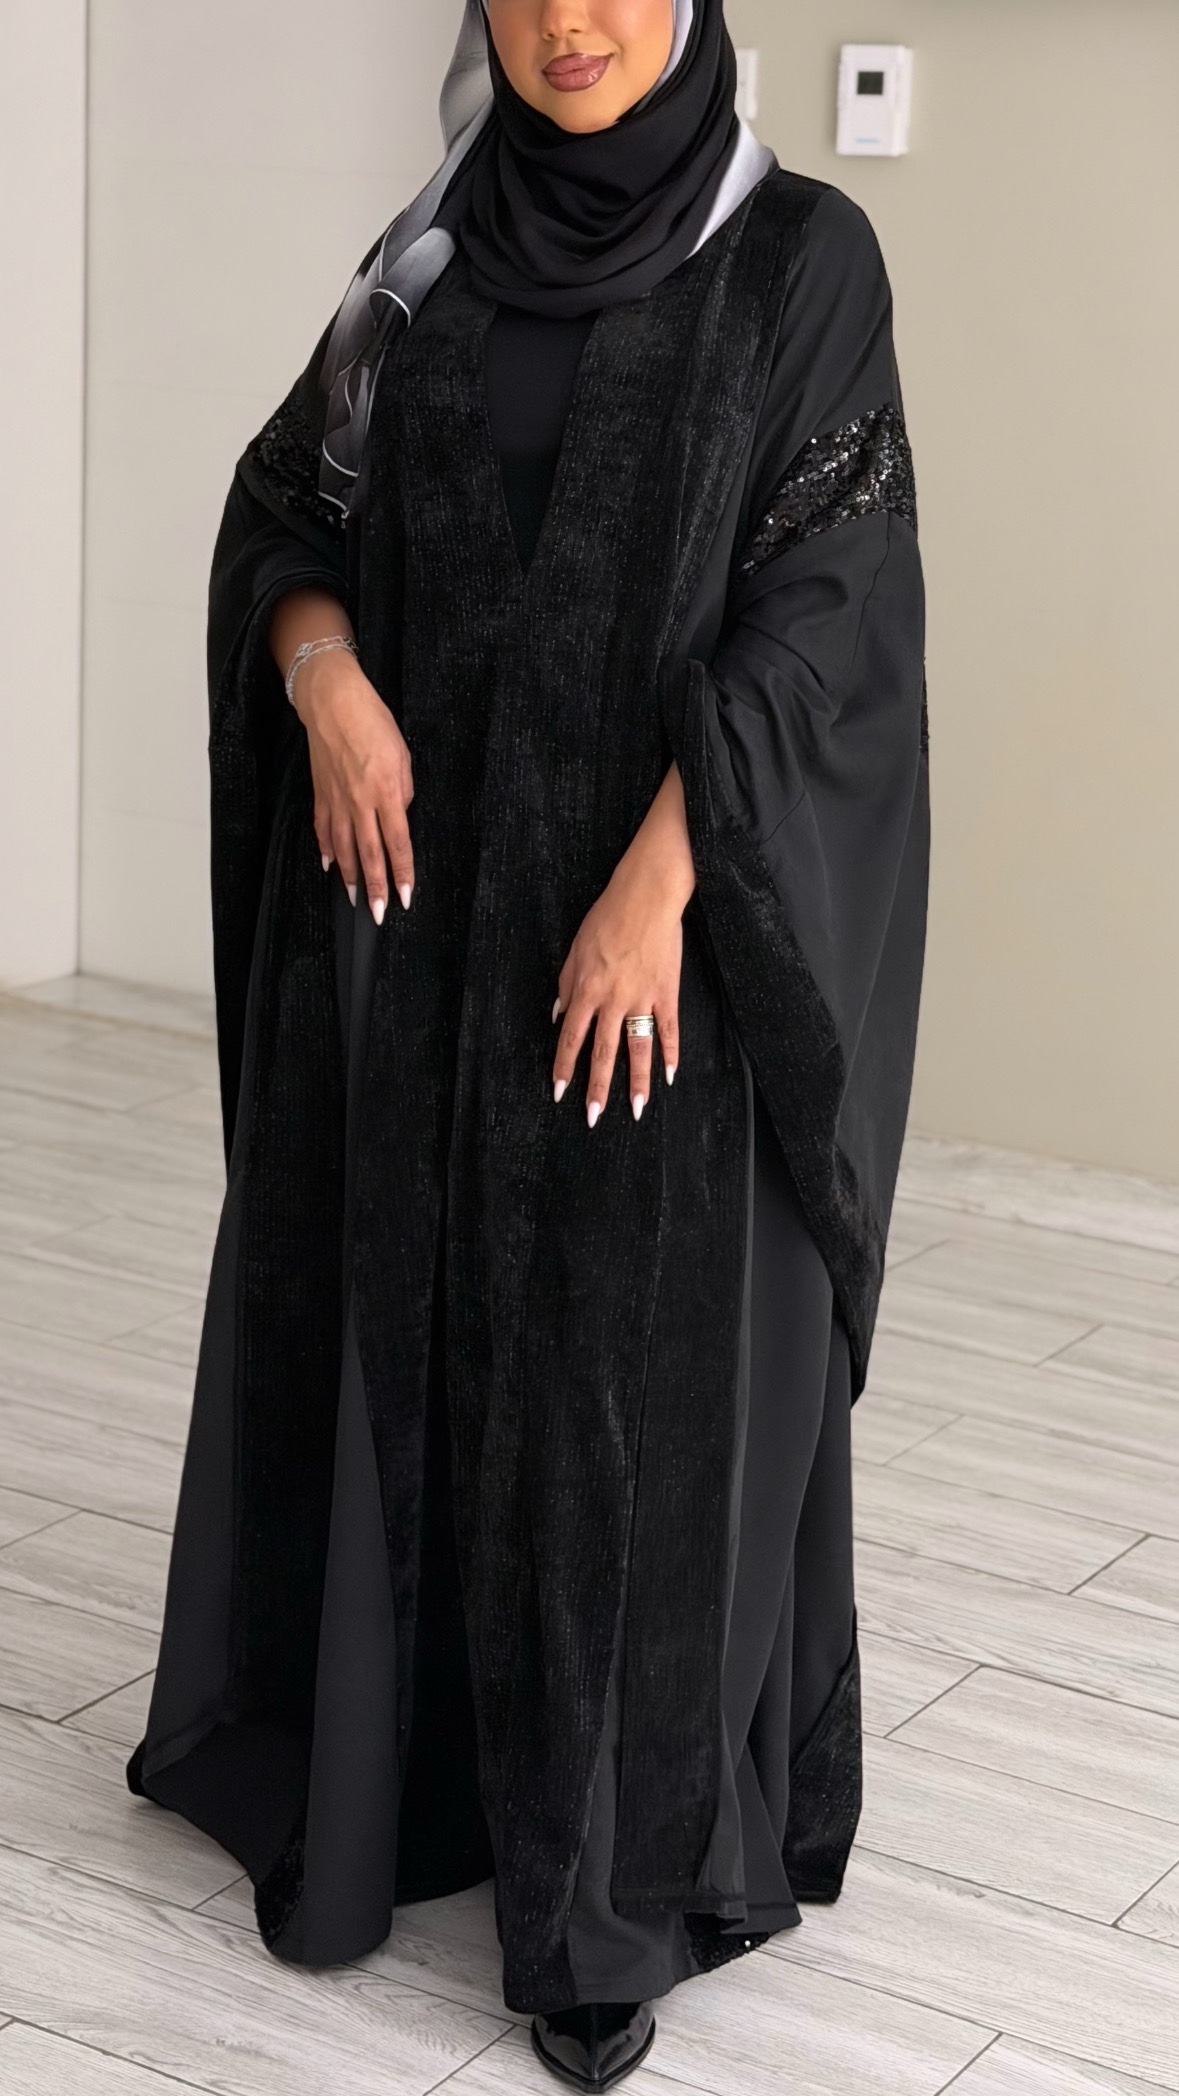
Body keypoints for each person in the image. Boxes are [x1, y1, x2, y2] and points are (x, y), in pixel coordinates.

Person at [126, 2, 929, 2087]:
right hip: (421, 968)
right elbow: (282, 517)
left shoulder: (796, 262)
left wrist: (664, 880)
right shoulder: (425, 258)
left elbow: (825, 612)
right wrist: (323, 681)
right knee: (427, 1362)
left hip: (669, 980)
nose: (571, 20)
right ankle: (409, 1788)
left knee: (619, 1410)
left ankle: (609, 1900)